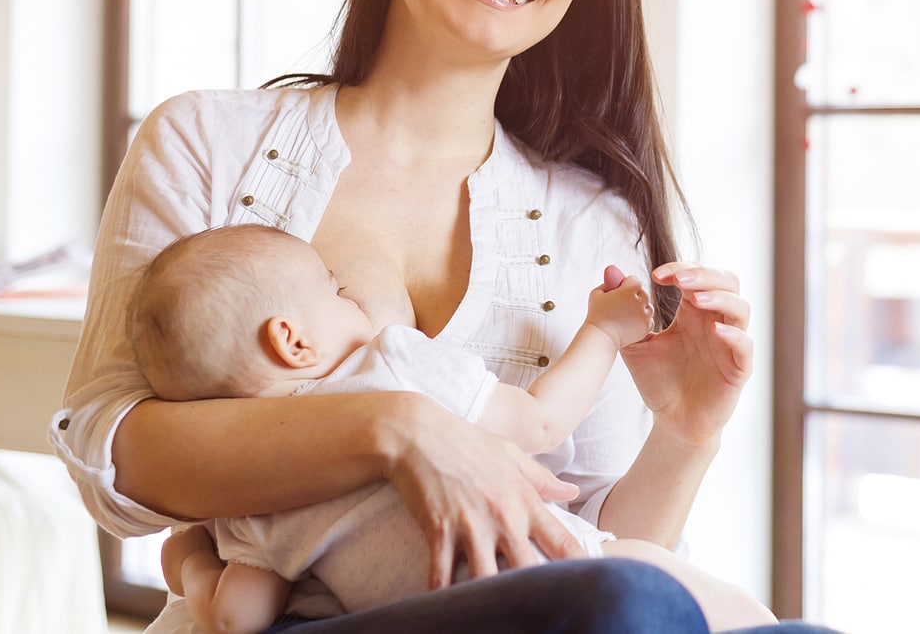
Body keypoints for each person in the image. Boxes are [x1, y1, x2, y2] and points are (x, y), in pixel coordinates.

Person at [52, 0, 832, 633]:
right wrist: (397, 427)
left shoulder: (594, 221)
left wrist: (686, 433)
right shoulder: (205, 140)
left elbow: (591, 563)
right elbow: (111, 453)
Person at [132, 224, 776, 634]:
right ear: (292, 341)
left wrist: (188, 558)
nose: (351, 299)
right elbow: (537, 420)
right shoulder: (386, 362)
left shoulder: (245, 503)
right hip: (563, 576)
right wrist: (603, 331)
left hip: (456, 622)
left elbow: (236, 620)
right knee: (750, 620)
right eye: (333, 291)